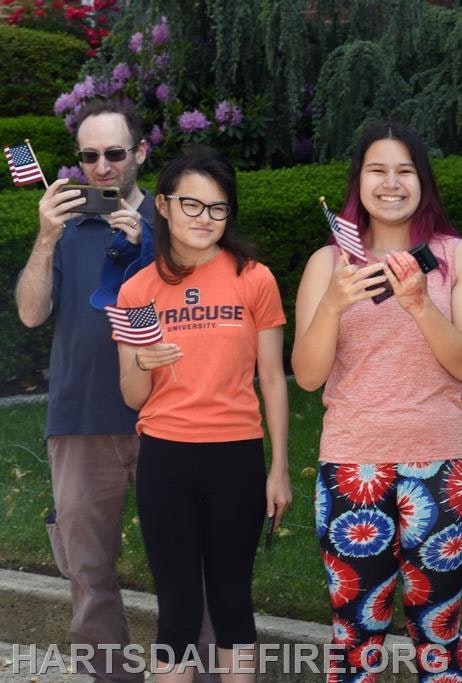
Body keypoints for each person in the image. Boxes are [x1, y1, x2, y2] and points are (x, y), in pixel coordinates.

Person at [292, 122, 462, 682]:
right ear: (359, 181)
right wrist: (332, 304)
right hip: (352, 463)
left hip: (443, 463)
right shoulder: (327, 263)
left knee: (438, 634)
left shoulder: (459, 258)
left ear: (423, 182)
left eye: (405, 170)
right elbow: (306, 377)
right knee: (354, 637)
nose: (392, 183)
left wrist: (421, 307)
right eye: (378, 170)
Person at [115, 148, 291, 681]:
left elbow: (272, 378)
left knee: (234, 603)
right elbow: (132, 397)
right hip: (165, 460)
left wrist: (278, 467)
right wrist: (142, 360)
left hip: (235, 457)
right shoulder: (137, 289)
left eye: (218, 209)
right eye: (191, 204)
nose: (204, 218)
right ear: (163, 206)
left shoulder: (253, 278)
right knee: (178, 611)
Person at [15, 99, 153, 683]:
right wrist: (46, 237)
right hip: (79, 417)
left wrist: (147, 241)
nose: (101, 168)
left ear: (140, 154)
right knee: (87, 573)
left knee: (186, 564)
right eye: (89, 157)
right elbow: (29, 314)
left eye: (115, 154)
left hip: (164, 415)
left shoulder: (175, 222)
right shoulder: (67, 228)